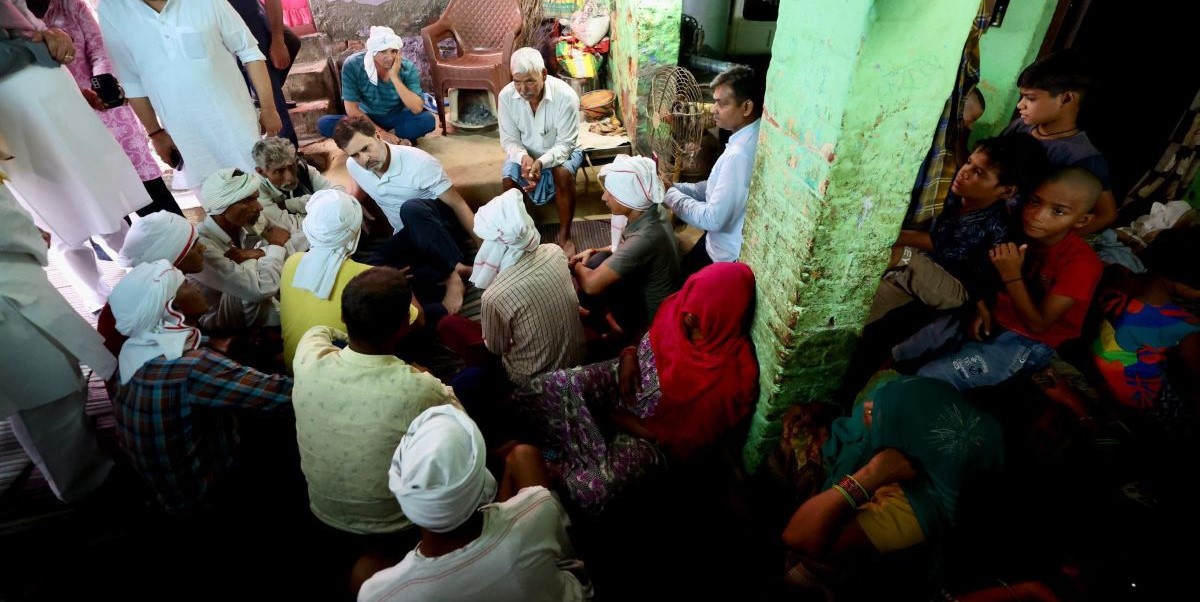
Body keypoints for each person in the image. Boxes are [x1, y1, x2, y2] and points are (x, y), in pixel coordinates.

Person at [511, 262, 758, 513]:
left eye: (700, 314)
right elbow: (648, 334)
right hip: (626, 378)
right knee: (551, 386)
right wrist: (629, 355)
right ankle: (547, 451)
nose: (688, 315)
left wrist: (634, 426)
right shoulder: (680, 306)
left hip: (653, 437)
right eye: (690, 303)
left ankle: (544, 475)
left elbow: (694, 443)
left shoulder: (729, 377)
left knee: (595, 487)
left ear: (725, 315)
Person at [779, 374, 1004, 593]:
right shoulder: (908, 403)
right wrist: (817, 409)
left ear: (906, 442)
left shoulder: (920, 507)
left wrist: (872, 475)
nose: (868, 409)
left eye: (874, 412)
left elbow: (799, 537)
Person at [108, 259, 293, 513]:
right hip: (205, 493)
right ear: (172, 308)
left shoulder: (134, 349)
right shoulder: (191, 367)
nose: (195, 287)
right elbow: (285, 395)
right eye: (185, 285)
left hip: (166, 489)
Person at [895, 168, 1104, 390]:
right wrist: (982, 306)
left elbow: (1039, 324)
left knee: (931, 376)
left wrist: (1010, 274)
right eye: (1035, 202)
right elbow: (983, 275)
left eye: (1058, 212)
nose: (1037, 216)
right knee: (904, 351)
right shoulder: (1021, 231)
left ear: (1082, 220)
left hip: (1027, 342)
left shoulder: (1081, 264)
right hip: (995, 315)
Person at [1, 2, 150, 311]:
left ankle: (147, 279)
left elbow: (37, 31)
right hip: (12, 110)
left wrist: (46, 36)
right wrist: (36, 47)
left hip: (52, 91)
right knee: (51, 210)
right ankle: (101, 302)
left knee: (101, 193)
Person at [357, 405, 592, 602]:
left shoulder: (377, 594)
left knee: (364, 569)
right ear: (482, 480)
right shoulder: (538, 509)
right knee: (523, 455)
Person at [292, 266, 456, 537]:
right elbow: (458, 420)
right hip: (400, 523)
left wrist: (351, 338)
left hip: (322, 512)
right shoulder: (419, 387)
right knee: (473, 380)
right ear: (405, 324)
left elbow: (321, 331)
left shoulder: (307, 356)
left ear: (344, 316)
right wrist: (423, 373)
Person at [0, 179, 116, 503]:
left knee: (57, 383)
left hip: (15, 278)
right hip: (9, 296)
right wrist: (29, 236)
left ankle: (87, 468)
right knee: (44, 397)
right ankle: (85, 487)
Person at [98, 0, 282, 188]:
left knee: (261, 191)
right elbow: (132, 81)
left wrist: (268, 108)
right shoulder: (112, 9)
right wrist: (155, 133)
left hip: (238, 126)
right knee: (215, 202)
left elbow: (249, 51)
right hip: (186, 138)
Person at [868, 134, 1049, 324]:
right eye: (969, 162)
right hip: (922, 268)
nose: (964, 171)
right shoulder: (957, 193)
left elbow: (934, 243)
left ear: (1006, 191)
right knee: (871, 300)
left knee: (900, 255)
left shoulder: (995, 225)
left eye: (978, 173)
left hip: (956, 287)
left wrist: (877, 235)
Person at [27, 0, 182, 217]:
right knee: (111, 200)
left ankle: (185, 243)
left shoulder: (71, 6)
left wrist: (102, 82)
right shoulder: (15, 24)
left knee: (150, 188)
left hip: (108, 110)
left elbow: (98, 48)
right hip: (65, 121)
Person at [438, 189, 585, 387]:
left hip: (532, 379)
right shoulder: (555, 251)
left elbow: (497, 348)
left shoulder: (494, 295)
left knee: (449, 326)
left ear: (494, 243)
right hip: (577, 357)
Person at [334, 116, 475, 315]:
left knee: (411, 209)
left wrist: (485, 251)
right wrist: (352, 202)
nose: (364, 160)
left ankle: (454, 272)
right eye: (355, 155)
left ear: (378, 136)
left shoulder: (418, 162)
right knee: (372, 270)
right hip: (408, 236)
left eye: (366, 148)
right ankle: (433, 290)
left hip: (439, 230)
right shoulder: (354, 166)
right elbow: (363, 183)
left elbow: (458, 204)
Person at [280, 190, 416, 367]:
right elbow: (416, 322)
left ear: (309, 228)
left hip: (296, 366)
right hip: (345, 371)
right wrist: (397, 282)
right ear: (356, 230)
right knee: (434, 310)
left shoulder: (291, 263)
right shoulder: (365, 279)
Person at [664, 65, 764, 275]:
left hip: (722, 257)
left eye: (721, 103)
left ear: (746, 108)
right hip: (718, 242)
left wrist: (670, 194)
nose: (713, 109)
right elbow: (715, 187)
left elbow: (713, 219)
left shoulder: (739, 154)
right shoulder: (749, 136)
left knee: (684, 286)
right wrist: (677, 187)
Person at [1004, 50, 1116, 236]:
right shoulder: (1019, 127)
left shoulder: (1084, 157)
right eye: (1022, 97)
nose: (1020, 105)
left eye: (1031, 98)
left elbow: (1107, 214)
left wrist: (1049, 243)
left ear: (1066, 98)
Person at [571, 155, 681, 338]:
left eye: (611, 194)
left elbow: (591, 284)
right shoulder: (653, 210)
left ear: (629, 199)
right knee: (598, 258)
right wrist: (595, 250)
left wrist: (574, 265)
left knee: (589, 276)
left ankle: (619, 331)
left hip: (651, 321)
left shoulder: (645, 238)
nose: (603, 197)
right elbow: (626, 247)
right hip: (657, 295)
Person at [1092, 228, 1200, 414]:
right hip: (1140, 396)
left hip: (1104, 374)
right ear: (1184, 280)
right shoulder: (1182, 326)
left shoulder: (1119, 274)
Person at [193, 168, 305, 334]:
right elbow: (260, 289)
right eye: (248, 200)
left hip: (259, 296)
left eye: (256, 198)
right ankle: (276, 332)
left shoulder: (251, 221)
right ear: (223, 207)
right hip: (221, 320)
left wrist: (261, 252)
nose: (258, 207)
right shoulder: (202, 247)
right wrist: (272, 249)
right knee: (252, 267)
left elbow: (288, 238)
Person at [498, 47, 583, 254]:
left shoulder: (566, 96)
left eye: (529, 81)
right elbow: (509, 140)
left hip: (562, 150)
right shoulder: (506, 96)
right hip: (526, 153)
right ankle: (522, 235)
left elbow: (566, 144)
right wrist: (523, 157)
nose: (522, 89)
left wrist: (541, 162)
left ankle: (564, 235)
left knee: (562, 173)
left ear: (544, 75)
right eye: (517, 81)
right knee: (509, 179)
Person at [97, 210, 207, 357]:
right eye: (194, 245)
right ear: (174, 254)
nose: (203, 248)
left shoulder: (159, 281)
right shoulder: (162, 296)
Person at [316, 25, 434, 145]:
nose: (390, 57)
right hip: (366, 119)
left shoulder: (407, 67)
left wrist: (394, 77)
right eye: (383, 51)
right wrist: (380, 132)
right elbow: (351, 108)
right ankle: (393, 139)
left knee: (427, 121)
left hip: (396, 116)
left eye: (394, 51)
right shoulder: (353, 65)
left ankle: (374, 140)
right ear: (372, 52)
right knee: (325, 123)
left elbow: (417, 108)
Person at [227, 0, 300, 146]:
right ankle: (284, 154)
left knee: (291, 41)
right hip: (221, 28)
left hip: (250, 16)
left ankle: (289, 155)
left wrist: (278, 39)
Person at [253, 136, 343, 216]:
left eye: (291, 166)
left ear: (296, 161)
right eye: (279, 171)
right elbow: (279, 224)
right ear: (261, 172)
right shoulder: (258, 187)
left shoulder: (302, 168)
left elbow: (339, 193)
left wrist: (288, 205)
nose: (290, 177)